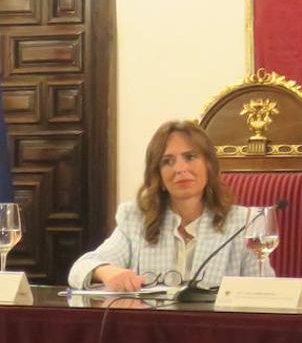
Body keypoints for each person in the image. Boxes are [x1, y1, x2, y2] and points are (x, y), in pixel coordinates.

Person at [68, 121, 271, 290]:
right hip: (152, 333)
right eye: (168, 161)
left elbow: (267, 293)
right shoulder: (136, 218)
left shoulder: (245, 223)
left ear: (209, 166)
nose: (180, 169)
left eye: (190, 157)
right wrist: (106, 271)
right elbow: (80, 269)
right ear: (158, 174)